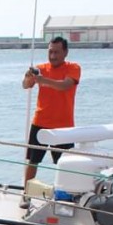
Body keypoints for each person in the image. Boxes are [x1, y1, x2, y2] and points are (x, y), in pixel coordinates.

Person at [22, 37, 81, 190]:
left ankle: (68, 194)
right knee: (33, 161)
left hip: (64, 127)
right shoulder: (41, 68)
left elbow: (65, 85)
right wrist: (29, 77)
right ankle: (26, 194)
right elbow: (25, 85)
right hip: (40, 122)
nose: (53, 56)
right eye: (50, 52)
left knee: (66, 164)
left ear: (65, 52)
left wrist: (43, 80)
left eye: (57, 52)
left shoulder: (73, 68)